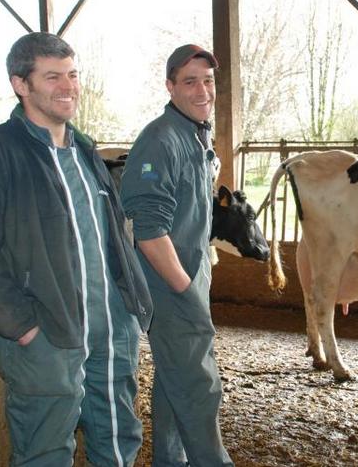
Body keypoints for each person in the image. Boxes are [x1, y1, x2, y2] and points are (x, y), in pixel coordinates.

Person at [0, 32, 153, 466]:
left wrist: (131, 307)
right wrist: (20, 325)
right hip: (48, 332)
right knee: (45, 448)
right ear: (21, 84)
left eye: (73, 74)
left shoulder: (84, 150)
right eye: (53, 76)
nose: (69, 86)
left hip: (111, 328)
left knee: (119, 436)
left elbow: (111, 233)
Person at [120, 44, 233, 467]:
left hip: (189, 273)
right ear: (170, 86)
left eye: (208, 80)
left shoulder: (193, 134)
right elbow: (149, 232)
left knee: (174, 381)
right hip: (169, 282)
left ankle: (170, 461)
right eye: (190, 81)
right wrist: (185, 289)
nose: (202, 90)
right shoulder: (161, 140)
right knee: (199, 386)